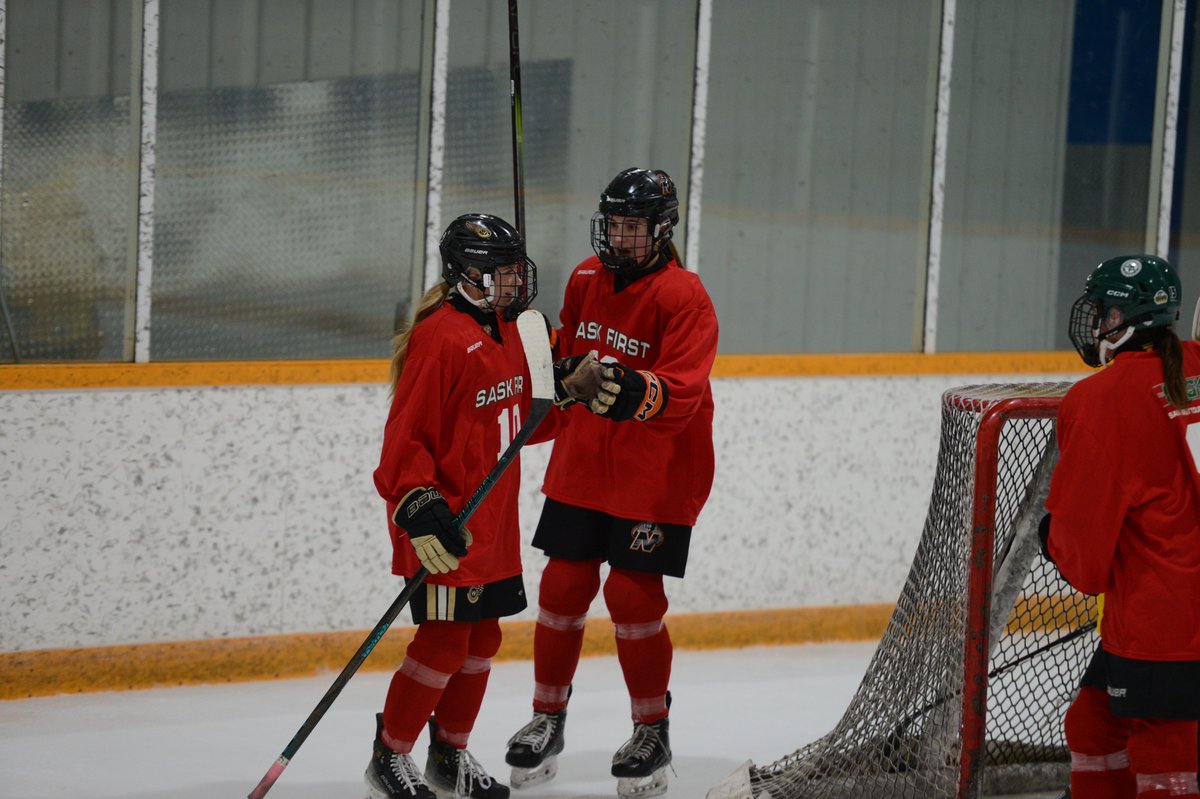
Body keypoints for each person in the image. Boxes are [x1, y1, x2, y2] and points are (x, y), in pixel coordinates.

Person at [503, 167, 719, 798]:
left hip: (655, 473)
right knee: (562, 585)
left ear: (662, 230)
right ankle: (547, 718)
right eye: (615, 226)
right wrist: (555, 364)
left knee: (631, 595)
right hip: (584, 464)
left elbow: (682, 390)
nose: (620, 239)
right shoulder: (583, 278)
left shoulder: (685, 295)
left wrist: (635, 391)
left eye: (634, 229)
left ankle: (652, 728)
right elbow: (567, 353)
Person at [366, 213, 541, 799]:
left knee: (483, 637)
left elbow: (522, 425)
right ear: (467, 273)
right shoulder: (440, 338)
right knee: (444, 642)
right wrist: (416, 504)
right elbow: (404, 438)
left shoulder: (512, 329)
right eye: (502, 272)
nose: (514, 282)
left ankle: (450, 753)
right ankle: (389, 756)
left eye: (516, 270)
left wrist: (564, 389)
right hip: (444, 525)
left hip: (493, 521)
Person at [1041, 254, 1200, 799]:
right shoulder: (1192, 370)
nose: (1096, 325)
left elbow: (1083, 563)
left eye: (1104, 312)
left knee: (1167, 766)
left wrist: (1050, 540)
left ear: (1125, 321)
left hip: (1167, 623)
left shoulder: (1102, 401)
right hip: (1168, 616)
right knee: (1093, 724)